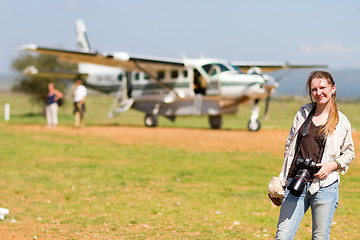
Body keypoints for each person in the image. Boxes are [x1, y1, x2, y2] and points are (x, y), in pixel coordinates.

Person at [275, 71, 355, 239]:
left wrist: (331, 166)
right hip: (296, 181)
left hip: (325, 186)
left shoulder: (342, 121)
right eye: (314, 89)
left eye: (322, 88)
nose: (319, 93)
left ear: (333, 88)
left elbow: (349, 153)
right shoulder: (302, 113)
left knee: (320, 237)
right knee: (283, 236)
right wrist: (283, 179)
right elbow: (289, 146)